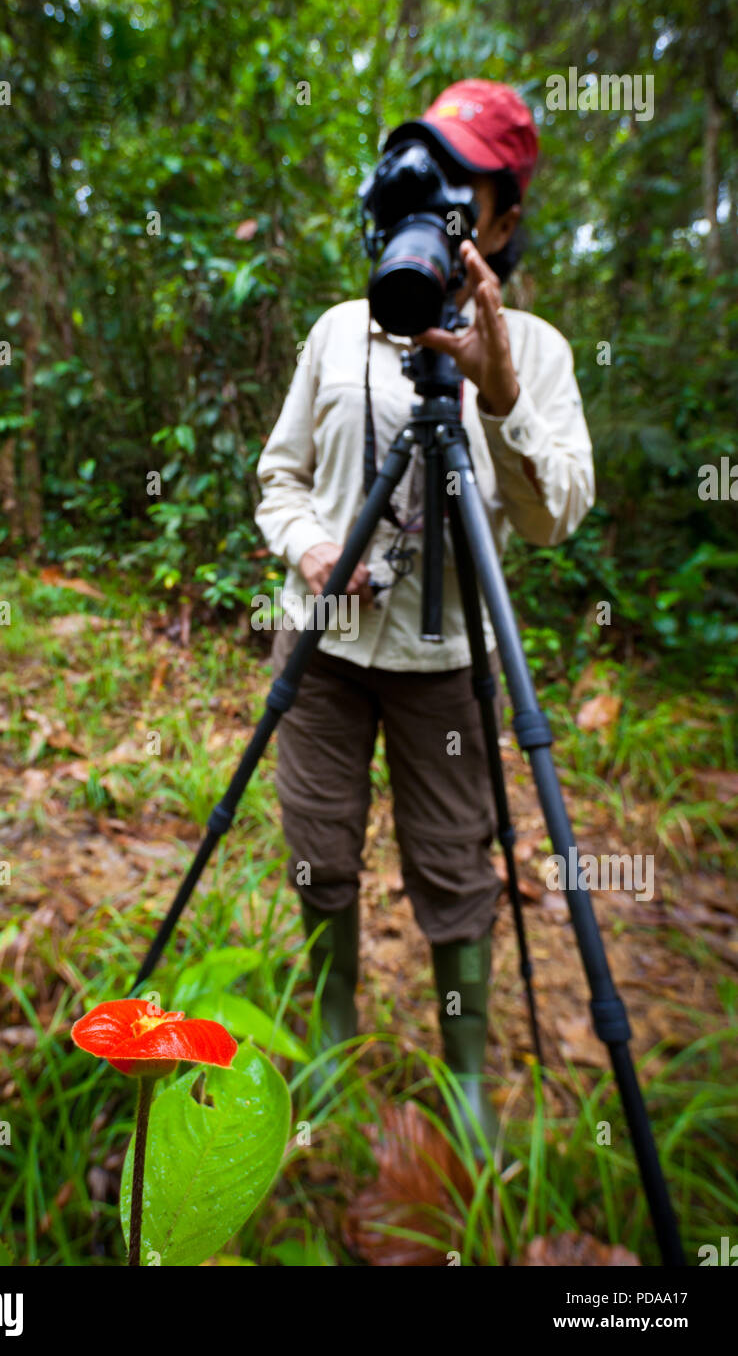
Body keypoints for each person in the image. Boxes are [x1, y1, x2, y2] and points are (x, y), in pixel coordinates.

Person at [255, 79, 595, 1146]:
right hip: (323, 646)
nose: (433, 201)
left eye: (462, 184)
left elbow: (553, 519)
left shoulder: (532, 349)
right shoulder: (333, 331)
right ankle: (330, 1030)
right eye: (417, 174)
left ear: (502, 217)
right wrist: (311, 545)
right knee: (319, 849)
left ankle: (465, 1082)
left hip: (444, 661)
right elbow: (278, 478)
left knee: (454, 864)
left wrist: (495, 396)